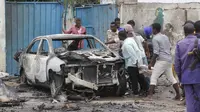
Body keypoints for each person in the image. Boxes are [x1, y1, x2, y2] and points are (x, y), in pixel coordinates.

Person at [147, 23, 180, 100]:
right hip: (168, 59)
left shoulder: (155, 38)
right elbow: (170, 47)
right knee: (171, 78)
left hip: (161, 60)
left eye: (152, 29)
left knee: (154, 77)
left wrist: (151, 63)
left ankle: (150, 95)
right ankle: (178, 95)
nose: (152, 30)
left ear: (155, 29)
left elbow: (156, 52)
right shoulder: (165, 36)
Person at [175, 23, 200, 112]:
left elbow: (177, 64)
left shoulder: (179, 44)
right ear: (194, 31)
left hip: (186, 77)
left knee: (189, 101)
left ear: (184, 32)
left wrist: (180, 78)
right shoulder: (199, 42)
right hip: (198, 76)